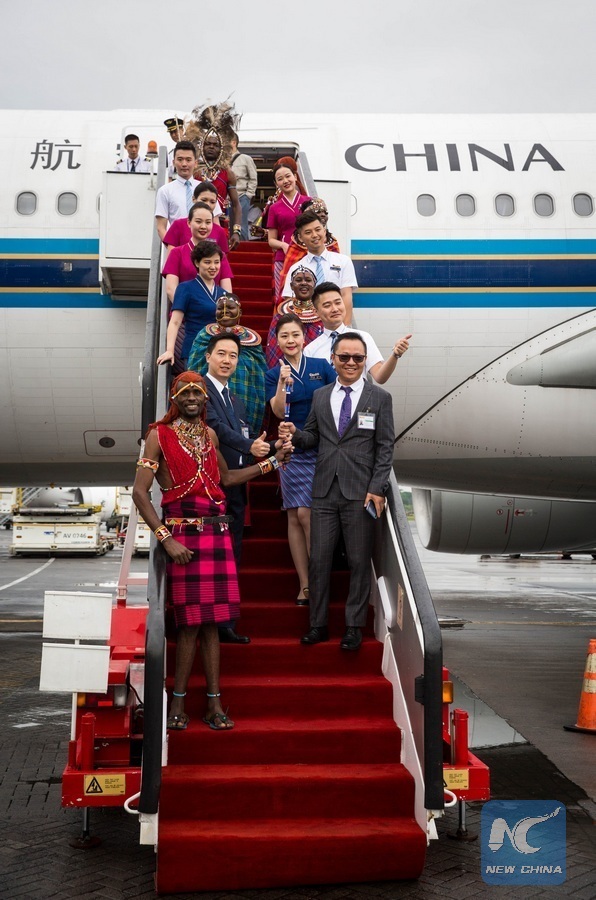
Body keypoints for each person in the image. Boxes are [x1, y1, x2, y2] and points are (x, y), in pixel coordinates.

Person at [131, 371, 290, 730]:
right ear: (174, 398)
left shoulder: (210, 434)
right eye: (184, 393)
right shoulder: (158, 435)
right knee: (189, 625)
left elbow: (228, 479)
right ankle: (178, 704)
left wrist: (274, 461)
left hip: (216, 533)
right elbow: (140, 493)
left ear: (205, 399)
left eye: (197, 393)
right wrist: (166, 539)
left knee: (213, 624)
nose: (191, 398)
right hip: (182, 536)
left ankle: (214, 704)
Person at [280, 333, 394, 650]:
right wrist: (295, 434)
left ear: (365, 360)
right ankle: (318, 624)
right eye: (344, 357)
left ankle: (353, 627)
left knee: (358, 561)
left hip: (361, 492)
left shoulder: (379, 398)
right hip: (324, 490)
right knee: (319, 560)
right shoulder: (320, 396)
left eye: (358, 358)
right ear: (333, 359)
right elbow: (311, 438)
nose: (351, 363)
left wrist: (377, 488)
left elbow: (385, 448)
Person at [202, 332, 272, 643]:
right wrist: (249, 445)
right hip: (210, 488)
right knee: (213, 560)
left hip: (235, 488)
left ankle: (226, 623)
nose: (227, 360)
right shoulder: (200, 391)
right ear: (208, 357)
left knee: (233, 557)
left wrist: (269, 447)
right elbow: (214, 427)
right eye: (221, 353)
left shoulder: (236, 400)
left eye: (233, 355)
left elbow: (243, 440)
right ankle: (209, 622)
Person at [266, 315, 335, 603]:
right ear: (277, 341)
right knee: (294, 515)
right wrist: (283, 383)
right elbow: (278, 411)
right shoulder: (273, 374)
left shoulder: (321, 367)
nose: (291, 340)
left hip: (320, 445)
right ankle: (305, 584)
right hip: (291, 449)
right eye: (284, 336)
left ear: (304, 337)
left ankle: (319, 579)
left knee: (306, 513)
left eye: (295, 334)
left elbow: (336, 400)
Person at [188, 293, 267, 435]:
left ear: (240, 312)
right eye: (220, 308)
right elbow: (194, 369)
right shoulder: (204, 336)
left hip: (245, 397)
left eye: (230, 307)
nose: (225, 312)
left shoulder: (252, 341)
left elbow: (259, 376)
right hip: (211, 396)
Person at [305, 283, 412, 384]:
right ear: (316, 312)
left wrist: (395, 355)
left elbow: (380, 377)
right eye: (327, 305)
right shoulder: (310, 350)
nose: (335, 309)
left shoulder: (363, 338)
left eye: (338, 303)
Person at [157, 241, 227, 369]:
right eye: (207, 262)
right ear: (197, 263)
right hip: (195, 350)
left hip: (220, 353)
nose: (213, 267)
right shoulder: (185, 288)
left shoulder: (223, 293)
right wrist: (169, 350)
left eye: (216, 262)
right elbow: (175, 322)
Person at [186, 101, 243, 249]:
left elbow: (236, 205)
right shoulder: (193, 171)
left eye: (215, 145)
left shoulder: (228, 173)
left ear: (221, 148)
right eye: (208, 144)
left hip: (219, 226)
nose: (211, 147)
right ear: (202, 146)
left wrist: (236, 231)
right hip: (195, 226)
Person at [281, 210, 357, 322]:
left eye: (318, 230)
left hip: (336, 322)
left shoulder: (343, 261)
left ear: (324, 231)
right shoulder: (295, 269)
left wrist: (344, 328)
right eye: (308, 232)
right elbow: (290, 302)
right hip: (308, 325)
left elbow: (346, 296)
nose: (315, 235)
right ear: (300, 238)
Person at [161, 202, 233, 303]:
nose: (203, 226)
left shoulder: (220, 255)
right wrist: (185, 308)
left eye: (208, 222)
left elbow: (227, 292)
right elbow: (171, 290)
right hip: (184, 310)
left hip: (213, 310)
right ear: (189, 223)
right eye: (198, 222)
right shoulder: (177, 253)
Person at [267, 162, 311, 297]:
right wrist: (283, 245)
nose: (285, 181)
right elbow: (271, 240)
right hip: (283, 258)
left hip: (307, 255)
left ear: (295, 177)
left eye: (288, 176)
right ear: (276, 184)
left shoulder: (309, 202)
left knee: (308, 294)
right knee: (283, 296)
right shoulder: (274, 208)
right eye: (280, 179)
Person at [265, 266, 322, 366]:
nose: (303, 283)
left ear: (314, 284)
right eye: (298, 280)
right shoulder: (280, 315)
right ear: (291, 286)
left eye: (308, 280)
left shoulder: (323, 314)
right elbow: (274, 347)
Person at [278, 197, 340, 288]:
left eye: (325, 212)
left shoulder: (333, 243)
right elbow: (288, 278)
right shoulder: (296, 245)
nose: (323, 215)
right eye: (318, 212)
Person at [155, 141, 200, 240]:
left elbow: (215, 223)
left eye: (188, 160)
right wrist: (172, 247)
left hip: (203, 246)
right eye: (180, 159)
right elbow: (161, 228)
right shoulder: (165, 191)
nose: (184, 164)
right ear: (173, 162)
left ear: (196, 163)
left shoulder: (205, 188)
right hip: (177, 244)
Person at [162, 183, 225, 253]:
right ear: (193, 199)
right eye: (204, 200)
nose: (208, 204)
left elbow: (222, 258)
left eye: (212, 202)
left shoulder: (220, 231)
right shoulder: (178, 225)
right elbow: (171, 256)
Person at [230, 132, 258, 240]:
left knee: (241, 227)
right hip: (227, 199)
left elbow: (253, 178)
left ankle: (242, 246)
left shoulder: (246, 159)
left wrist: (248, 195)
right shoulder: (222, 161)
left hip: (241, 196)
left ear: (233, 143)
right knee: (229, 226)